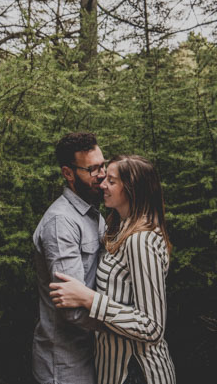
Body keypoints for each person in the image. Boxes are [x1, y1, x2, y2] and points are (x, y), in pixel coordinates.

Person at [50, 155, 176, 384]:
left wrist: (89, 299)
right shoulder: (117, 229)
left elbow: (152, 327)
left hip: (138, 372)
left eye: (111, 181)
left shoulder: (141, 240)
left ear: (131, 189)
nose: (102, 185)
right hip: (115, 372)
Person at [32, 132, 108, 384]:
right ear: (68, 173)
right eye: (92, 169)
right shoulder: (61, 223)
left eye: (103, 165)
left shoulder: (94, 214)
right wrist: (127, 323)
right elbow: (72, 310)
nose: (102, 174)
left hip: (93, 354)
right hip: (65, 366)